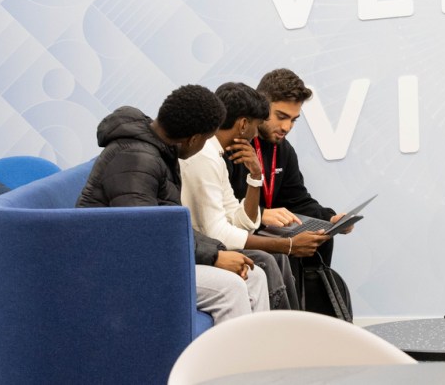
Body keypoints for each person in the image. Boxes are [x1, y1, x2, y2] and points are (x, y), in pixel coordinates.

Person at [77, 84, 269, 323]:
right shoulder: (137, 160)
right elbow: (144, 232)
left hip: (148, 255)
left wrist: (218, 251)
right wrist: (215, 257)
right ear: (193, 139)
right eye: (206, 140)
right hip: (118, 265)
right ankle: (234, 361)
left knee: (254, 275)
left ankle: (261, 358)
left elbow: (169, 221)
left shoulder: (159, 149)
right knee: (230, 288)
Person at [180, 82, 329, 309]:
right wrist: (287, 245)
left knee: (274, 257)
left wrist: (256, 176)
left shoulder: (216, 155)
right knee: (269, 259)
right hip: (201, 249)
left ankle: (290, 330)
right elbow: (216, 232)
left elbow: (242, 223)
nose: (255, 133)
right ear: (242, 124)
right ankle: (284, 335)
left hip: (214, 242)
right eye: (257, 125)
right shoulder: (206, 156)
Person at [226, 69, 353, 273]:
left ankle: (308, 305)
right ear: (260, 106)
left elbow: (297, 199)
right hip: (239, 232)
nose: (286, 127)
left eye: (293, 120)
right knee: (279, 253)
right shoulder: (233, 143)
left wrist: (330, 219)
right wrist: (261, 214)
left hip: (269, 232)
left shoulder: (283, 149)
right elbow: (219, 207)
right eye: (281, 116)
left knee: (320, 238)